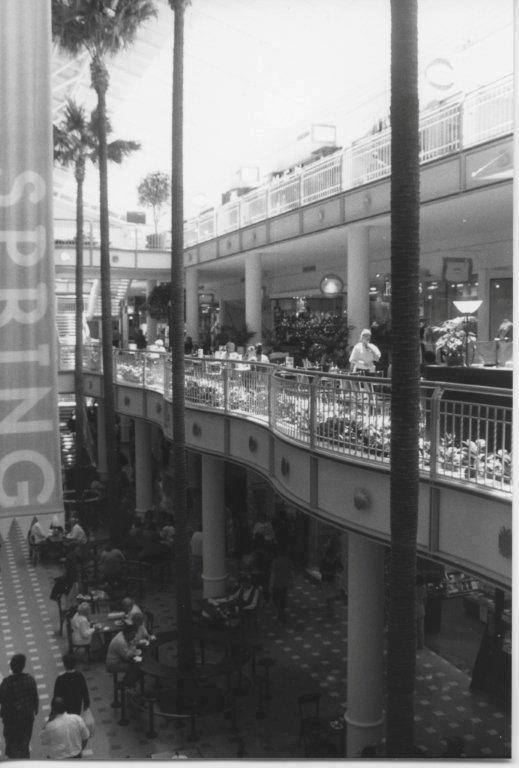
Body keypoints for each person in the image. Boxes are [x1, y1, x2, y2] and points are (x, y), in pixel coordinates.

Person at [0, 653, 39, 759]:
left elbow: (2, 699)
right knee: (25, 742)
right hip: (27, 718)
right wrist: (35, 709)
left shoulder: (6, 683)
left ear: (11, 667)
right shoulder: (29, 679)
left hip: (11, 720)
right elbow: (35, 697)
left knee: (12, 742)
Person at [270, 547, 293, 623]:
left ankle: (280, 614)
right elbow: (290, 572)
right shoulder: (288, 561)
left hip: (277, 583)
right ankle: (281, 612)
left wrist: (271, 584)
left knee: (275, 598)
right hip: (285, 583)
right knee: (282, 598)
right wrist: (291, 582)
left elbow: (273, 574)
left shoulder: (275, 561)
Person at [319, 540, 342, 616]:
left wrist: (338, 561)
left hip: (331, 580)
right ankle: (329, 610)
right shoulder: (325, 561)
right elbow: (321, 570)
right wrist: (330, 572)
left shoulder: (335, 561)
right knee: (329, 596)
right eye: (333, 554)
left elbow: (340, 568)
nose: (334, 555)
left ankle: (330, 609)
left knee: (331, 596)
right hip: (326, 580)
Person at [416, 574, 427, 650]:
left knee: (414, 628)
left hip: (413, 609)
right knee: (421, 629)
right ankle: (421, 645)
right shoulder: (423, 588)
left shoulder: (412, 588)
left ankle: (414, 644)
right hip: (421, 609)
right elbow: (425, 600)